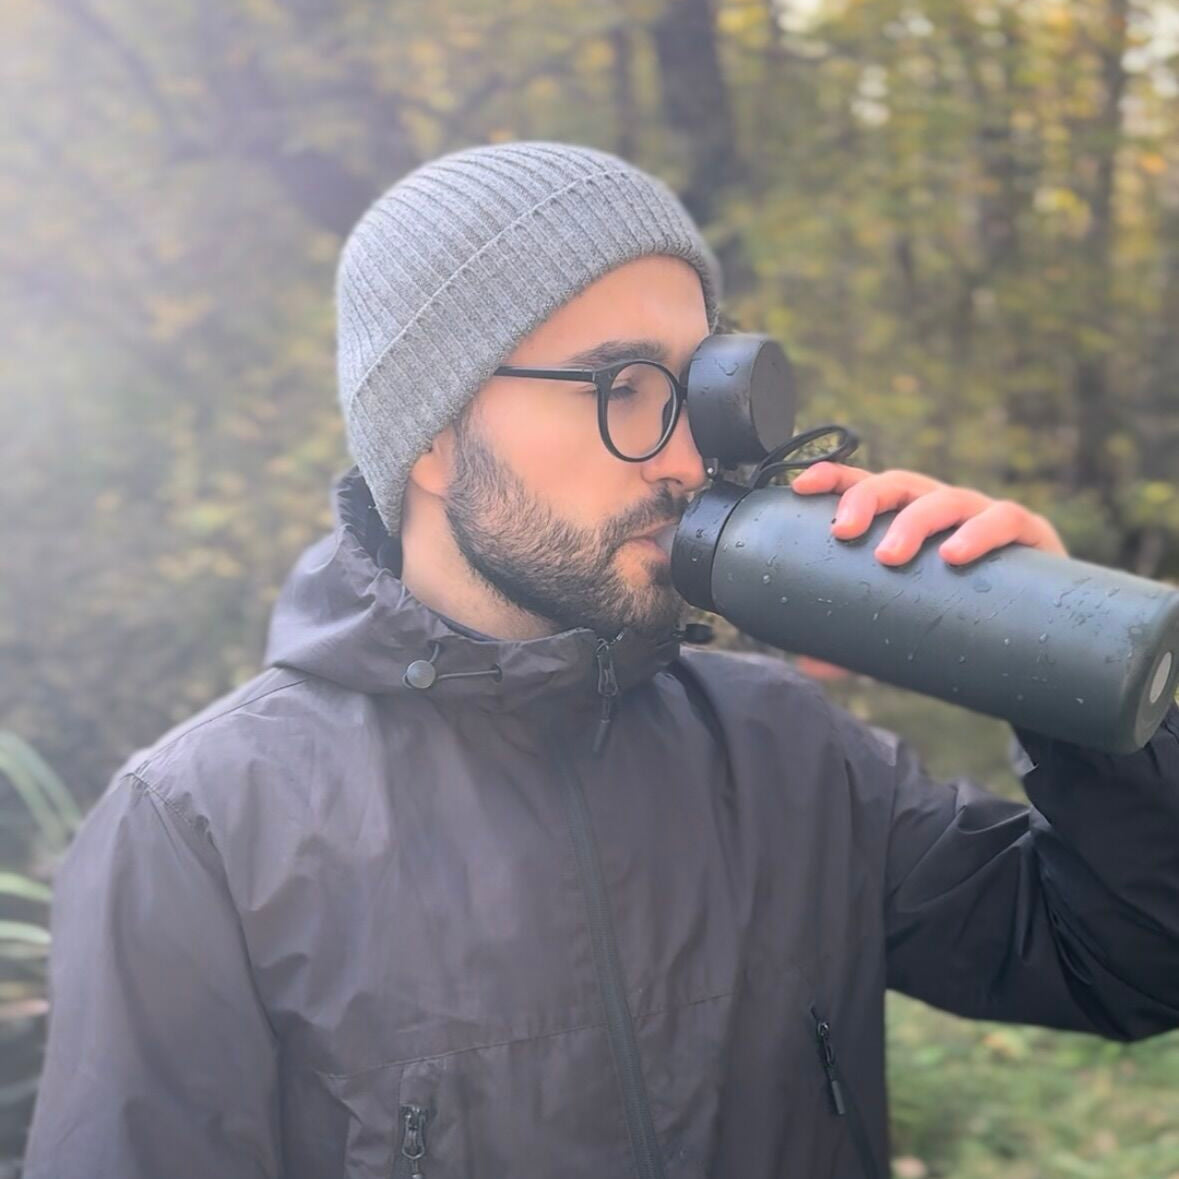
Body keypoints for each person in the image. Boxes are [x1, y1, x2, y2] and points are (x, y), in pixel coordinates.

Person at [22, 141, 1179, 1179]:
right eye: (620, 389)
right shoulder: (204, 830)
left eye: (698, 393)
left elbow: (1126, 962)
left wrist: (1057, 668)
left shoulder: (787, 751)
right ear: (431, 433)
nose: (683, 456)